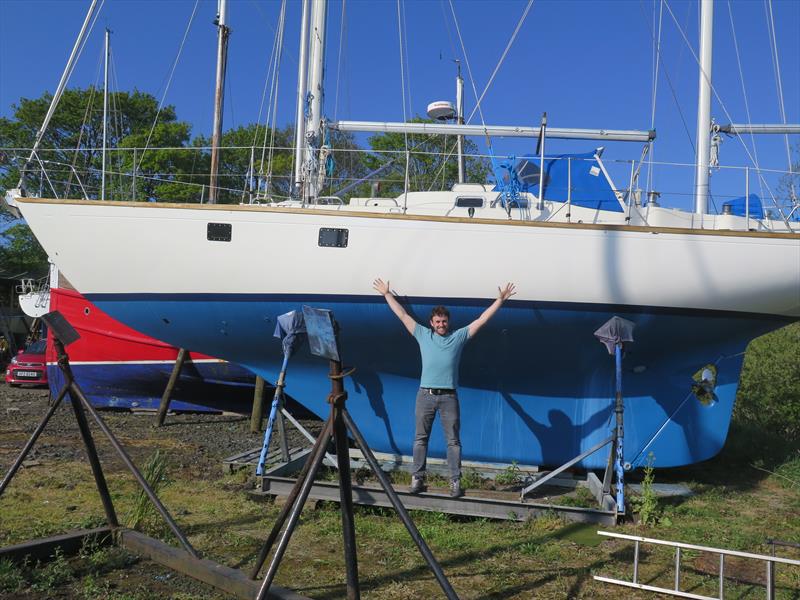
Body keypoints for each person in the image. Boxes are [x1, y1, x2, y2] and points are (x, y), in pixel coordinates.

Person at [373, 278, 516, 497]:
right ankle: (417, 479)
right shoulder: (423, 334)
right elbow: (403, 315)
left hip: (449, 397)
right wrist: (386, 294)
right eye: (437, 322)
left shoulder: (458, 337)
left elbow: (481, 320)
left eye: (444, 321)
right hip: (425, 395)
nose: (441, 325)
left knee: (453, 442)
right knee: (420, 439)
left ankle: (455, 482)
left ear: (448, 322)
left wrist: (500, 300)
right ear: (431, 323)